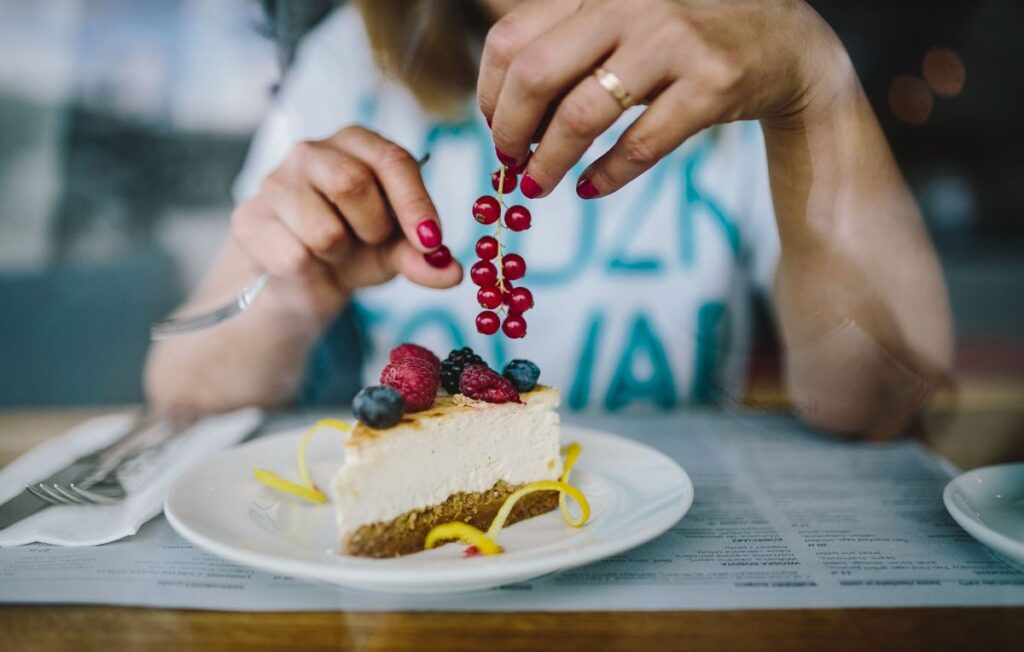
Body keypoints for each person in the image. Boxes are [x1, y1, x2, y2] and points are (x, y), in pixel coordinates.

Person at [145, 0, 953, 438]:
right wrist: (296, 287)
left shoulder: (738, 54)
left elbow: (886, 399)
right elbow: (182, 392)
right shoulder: (352, 61)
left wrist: (812, 82)